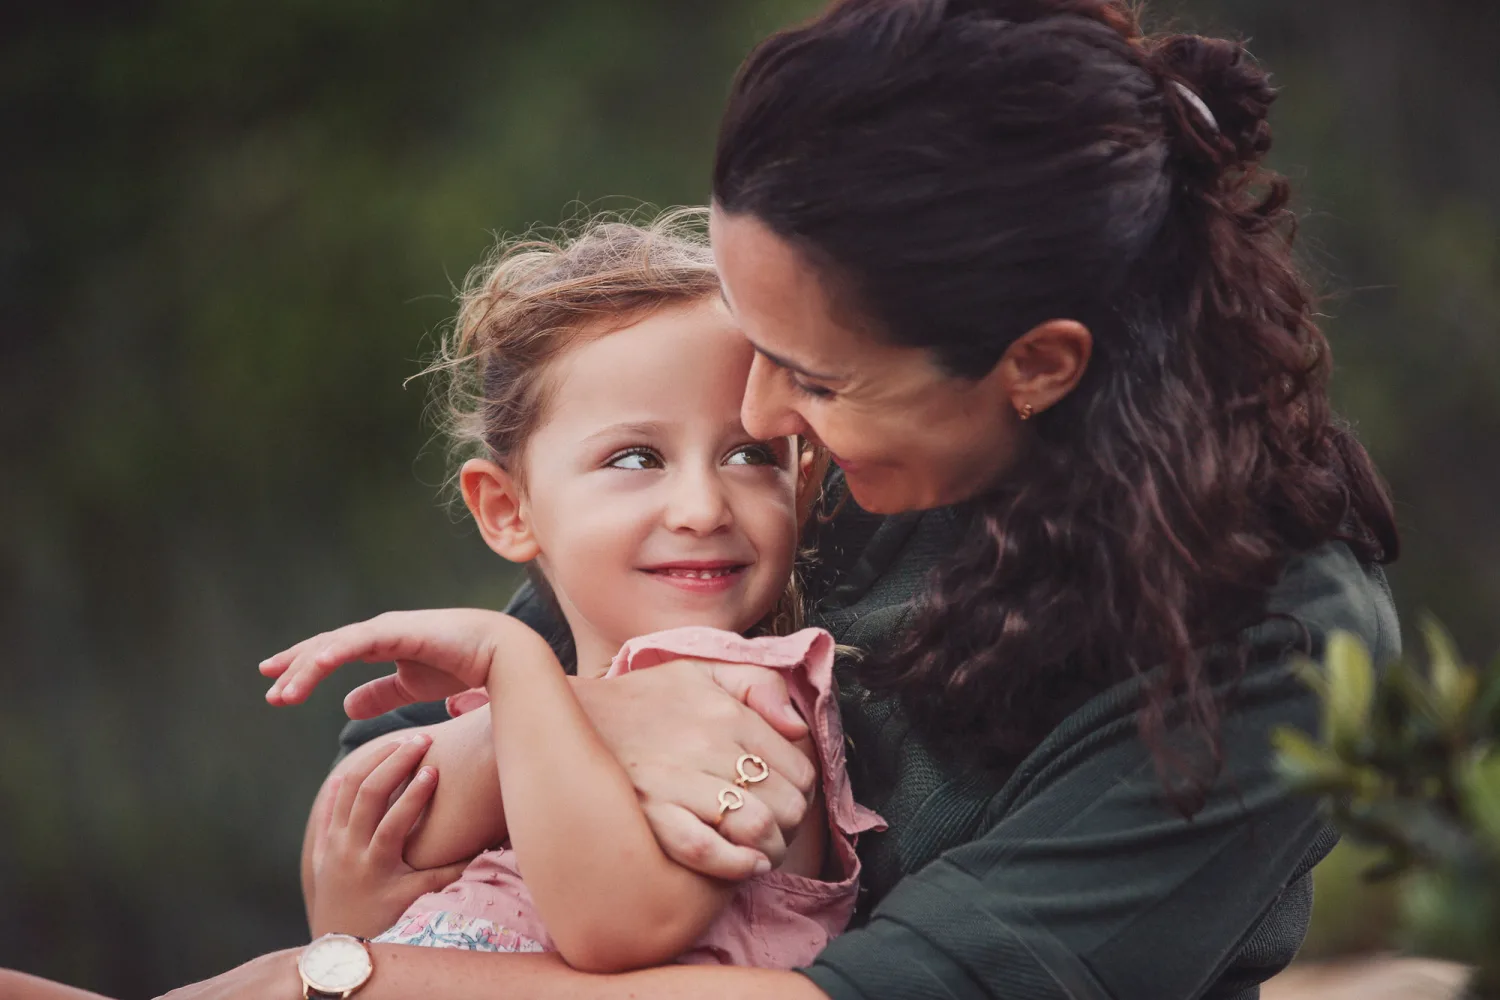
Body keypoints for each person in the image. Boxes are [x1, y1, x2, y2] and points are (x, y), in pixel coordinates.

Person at [160, 1, 1401, 997]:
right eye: (756, 342)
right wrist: (588, 715)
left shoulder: (1266, 644)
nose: (757, 419)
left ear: (1037, 364)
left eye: (812, 374)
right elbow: (400, 765)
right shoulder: (818, 460)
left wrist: (337, 976)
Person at [256, 213, 878, 973]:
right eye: (634, 458)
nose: (702, 508)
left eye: (750, 455)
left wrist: (510, 658)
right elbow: (355, 847)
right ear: (508, 510)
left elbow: (621, 925)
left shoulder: (755, 701)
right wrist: (353, 920)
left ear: (801, 485)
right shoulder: (523, 715)